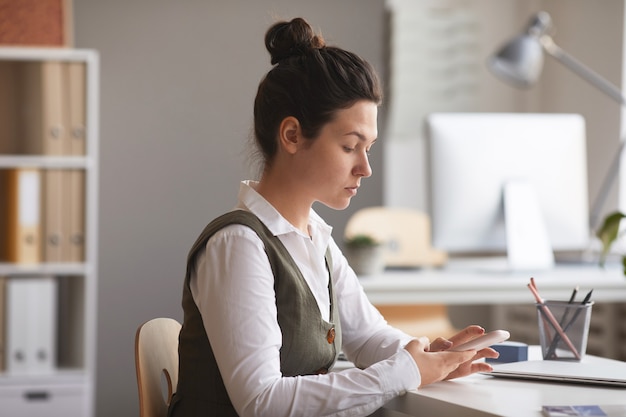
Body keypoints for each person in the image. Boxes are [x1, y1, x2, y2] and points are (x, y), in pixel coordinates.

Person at [168, 17, 498, 417]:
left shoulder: (314, 239)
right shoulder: (238, 245)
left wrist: (428, 355)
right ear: (291, 135)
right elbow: (261, 403)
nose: (365, 168)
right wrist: (404, 372)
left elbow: (367, 335)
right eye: (350, 146)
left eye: (369, 149)